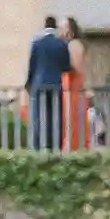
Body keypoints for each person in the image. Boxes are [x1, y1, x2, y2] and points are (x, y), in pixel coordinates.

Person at [26, 9, 71, 151]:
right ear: (55, 26)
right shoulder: (61, 44)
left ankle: (38, 145)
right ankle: (55, 146)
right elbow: (66, 66)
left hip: (39, 84)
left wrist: (28, 84)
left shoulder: (37, 43)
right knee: (55, 116)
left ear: (44, 26)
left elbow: (32, 66)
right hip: (56, 84)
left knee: (38, 116)